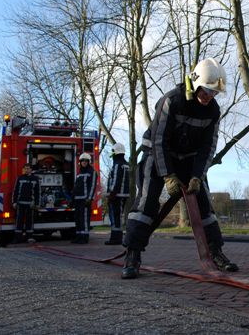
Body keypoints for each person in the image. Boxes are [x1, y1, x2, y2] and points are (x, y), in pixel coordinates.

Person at [122, 58, 238, 279]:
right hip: (156, 156)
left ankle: (216, 252)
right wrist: (168, 175)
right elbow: (159, 141)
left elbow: (208, 147)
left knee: (205, 206)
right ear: (195, 84)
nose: (209, 97)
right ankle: (132, 255)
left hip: (188, 160)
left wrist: (197, 176)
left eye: (214, 93)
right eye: (206, 91)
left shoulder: (213, 111)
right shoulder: (171, 101)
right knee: (146, 203)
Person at [105, 143, 130, 245]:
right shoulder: (126, 164)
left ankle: (115, 238)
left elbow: (116, 180)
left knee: (115, 216)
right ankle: (117, 237)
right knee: (119, 216)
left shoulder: (117, 165)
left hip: (116, 195)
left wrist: (112, 194)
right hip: (124, 194)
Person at [11, 164, 41, 244]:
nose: (26, 170)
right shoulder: (20, 178)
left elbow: (38, 192)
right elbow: (16, 191)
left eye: (28, 169)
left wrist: (37, 204)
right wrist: (14, 202)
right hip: (20, 203)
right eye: (25, 169)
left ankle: (29, 237)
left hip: (30, 204)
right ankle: (17, 238)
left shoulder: (35, 179)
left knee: (29, 221)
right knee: (19, 221)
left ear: (31, 170)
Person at [71, 153, 97, 244]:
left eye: (86, 161)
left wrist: (89, 199)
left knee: (84, 219)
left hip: (85, 200)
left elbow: (93, 186)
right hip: (77, 199)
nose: (84, 162)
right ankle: (78, 236)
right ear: (80, 162)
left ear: (88, 162)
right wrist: (72, 198)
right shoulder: (79, 173)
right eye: (82, 161)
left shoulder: (92, 172)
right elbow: (76, 187)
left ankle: (85, 237)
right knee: (77, 219)